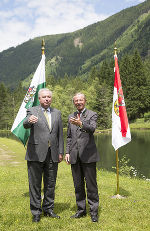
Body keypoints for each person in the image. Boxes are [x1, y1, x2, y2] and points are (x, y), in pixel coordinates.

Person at [23, 88, 64, 222]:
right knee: (35, 184)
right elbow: (25, 124)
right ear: (39, 99)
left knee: (50, 183)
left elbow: (59, 135)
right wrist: (29, 120)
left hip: (52, 154)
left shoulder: (57, 113)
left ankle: (48, 209)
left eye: (49, 97)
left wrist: (60, 152)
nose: (47, 99)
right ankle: (36, 212)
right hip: (35, 153)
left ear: (51, 99)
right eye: (44, 97)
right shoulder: (33, 110)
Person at [65, 93, 100, 222]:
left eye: (80, 100)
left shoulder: (92, 114)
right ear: (74, 102)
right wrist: (67, 152)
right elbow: (69, 136)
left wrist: (80, 124)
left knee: (91, 186)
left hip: (89, 156)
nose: (78, 102)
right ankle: (81, 210)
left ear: (85, 101)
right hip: (74, 156)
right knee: (78, 185)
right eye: (76, 100)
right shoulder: (71, 116)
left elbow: (92, 128)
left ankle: (94, 212)